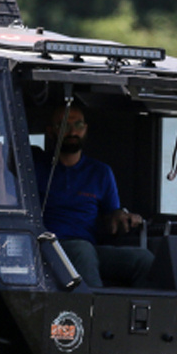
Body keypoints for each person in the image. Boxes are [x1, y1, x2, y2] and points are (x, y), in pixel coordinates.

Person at [34, 104, 154, 287]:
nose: (72, 132)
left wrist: (122, 217)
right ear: (51, 131)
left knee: (143, 259)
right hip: (48, 250)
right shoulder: (36, 168)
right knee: (82, 250)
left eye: (78, 125)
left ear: (86, 129)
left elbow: (111, 215)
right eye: (64, 126)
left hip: (89, 248)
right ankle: (96, 312)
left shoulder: (101, 172)